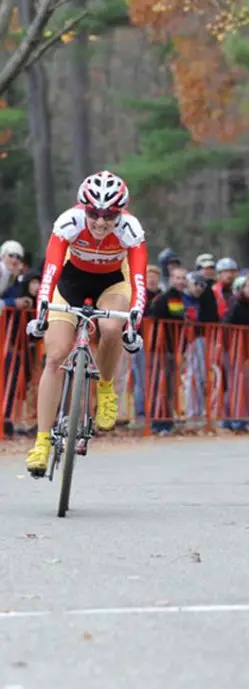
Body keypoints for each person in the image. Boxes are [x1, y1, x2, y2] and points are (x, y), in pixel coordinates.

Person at [24, 170, 146, 475]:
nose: (101, 221)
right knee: (55, 355)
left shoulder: (130, 229)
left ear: (121, 213)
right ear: (84, 209)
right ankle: (41, 442)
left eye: (110, 215)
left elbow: (140, 280)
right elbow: (51, 270)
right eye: (94, 213)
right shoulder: (69, 222)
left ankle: (105, 388)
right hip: (71, 283)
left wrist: (134, 322)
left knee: (111, 328)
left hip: (112, 285)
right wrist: (41, 310)